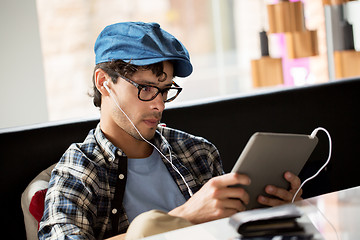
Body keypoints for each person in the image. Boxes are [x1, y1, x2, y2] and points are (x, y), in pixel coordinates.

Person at [38, 22, 302, 240]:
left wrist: (272, 211)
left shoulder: (198, 152)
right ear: (104, 82)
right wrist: (183, 218)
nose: (159, 104)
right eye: (146, 88)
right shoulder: (78, 170)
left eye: (165, 90)